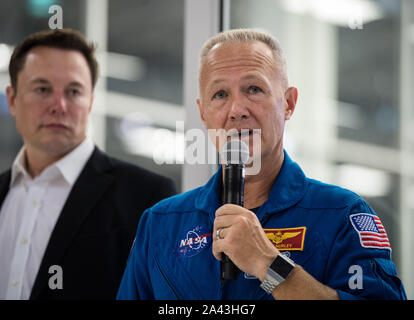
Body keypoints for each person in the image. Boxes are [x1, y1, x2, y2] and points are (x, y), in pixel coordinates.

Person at [116, 29, 406, 300]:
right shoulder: (160, 224)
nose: (237, 110)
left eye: (254, 89)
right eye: (220, 95)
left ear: (289, 103)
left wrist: (269, 265)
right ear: (203, 113)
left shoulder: (341, 216)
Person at [0, 29, 177, 300]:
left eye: (73, 91)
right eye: (42, 89)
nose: (59, 105)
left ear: (91, 101)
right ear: (12, 99)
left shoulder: (148, 198)